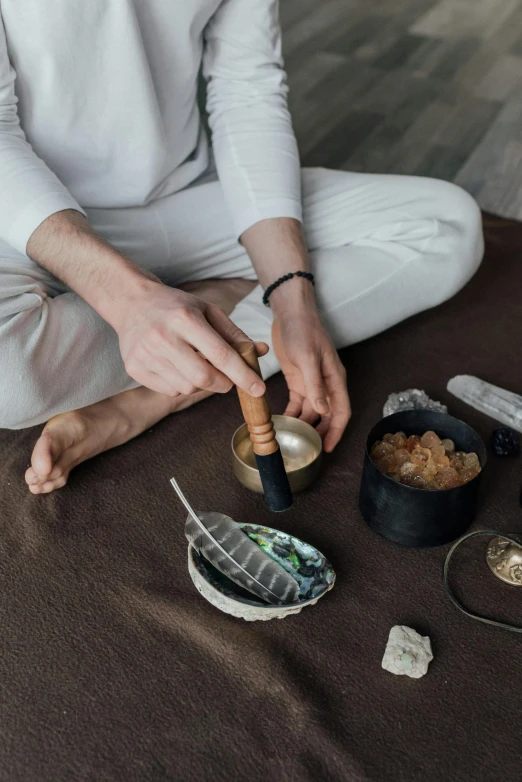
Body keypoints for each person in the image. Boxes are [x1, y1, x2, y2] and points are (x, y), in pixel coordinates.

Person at [0, 1, 483, 495]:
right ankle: (211, 305)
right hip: (36, 224)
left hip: (187, 200)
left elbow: (246, 88)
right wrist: (126, 299)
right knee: (5, 380)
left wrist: (293, 301)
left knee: (448, 224)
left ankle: (147, 398)